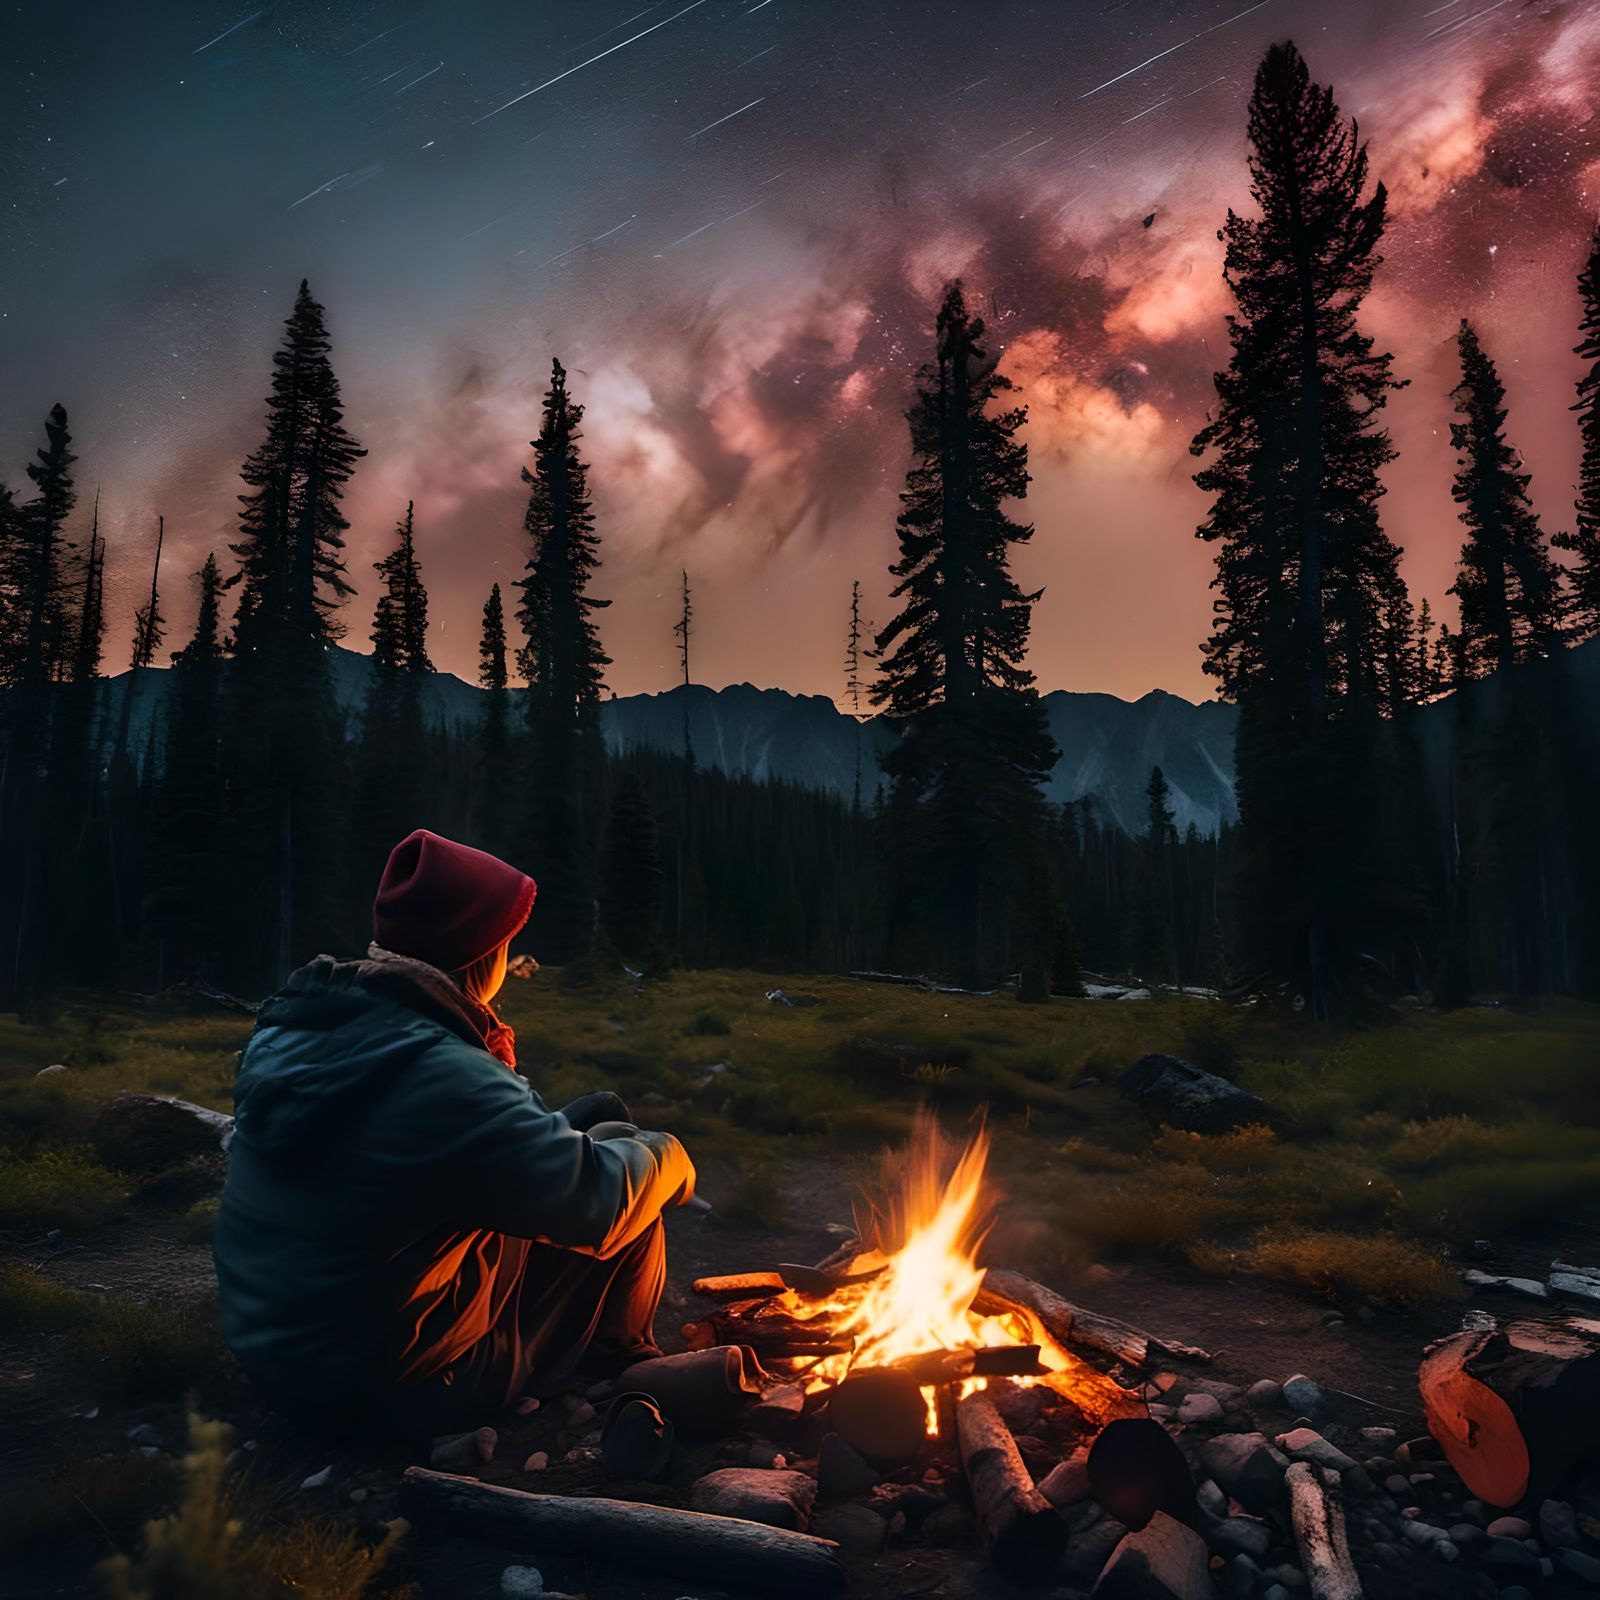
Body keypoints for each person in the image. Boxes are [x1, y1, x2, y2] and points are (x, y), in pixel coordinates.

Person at [213, 828, 696, 1441]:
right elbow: (597, 1202)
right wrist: (672, 1157)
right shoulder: (442, 1076)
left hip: (281, 1360)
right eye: (507, 941)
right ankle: (619, 1364)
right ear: (482, 951)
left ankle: (606, 1347)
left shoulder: (296, 1029)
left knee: (603, 1119)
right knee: (629, 1184)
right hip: (398, 1390)